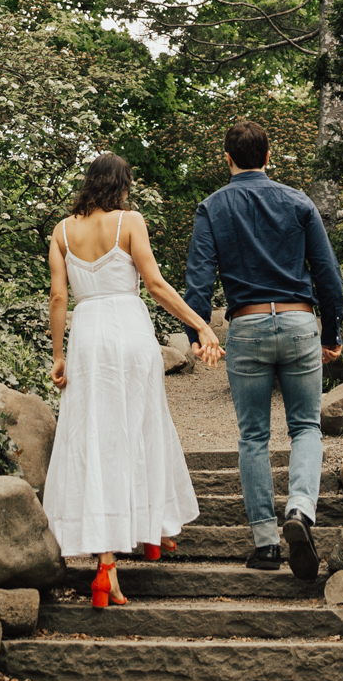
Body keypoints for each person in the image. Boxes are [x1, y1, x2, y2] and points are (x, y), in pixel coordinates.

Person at [44, 152, 224, 609]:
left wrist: (59, 355)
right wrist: (200, 325)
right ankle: (153, 527)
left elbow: (59, 295)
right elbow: (157, 284)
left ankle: (106, 562)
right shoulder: (130, 221)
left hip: (87, 337)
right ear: (121, 185)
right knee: (141, 427)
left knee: (95, 439)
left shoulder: (62, 232)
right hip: (129, 331)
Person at [181, 119, 343, 580]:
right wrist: (331, 333)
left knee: (253, 435)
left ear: (227, 158)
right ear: (269, 156)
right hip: (297, 321)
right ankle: (299, 509)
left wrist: (198, 336)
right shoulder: (298, 202)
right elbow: (328, 275)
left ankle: (266, 544)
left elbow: (199, 279)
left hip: (247, 324)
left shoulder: (212, 207)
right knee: (306, 426)